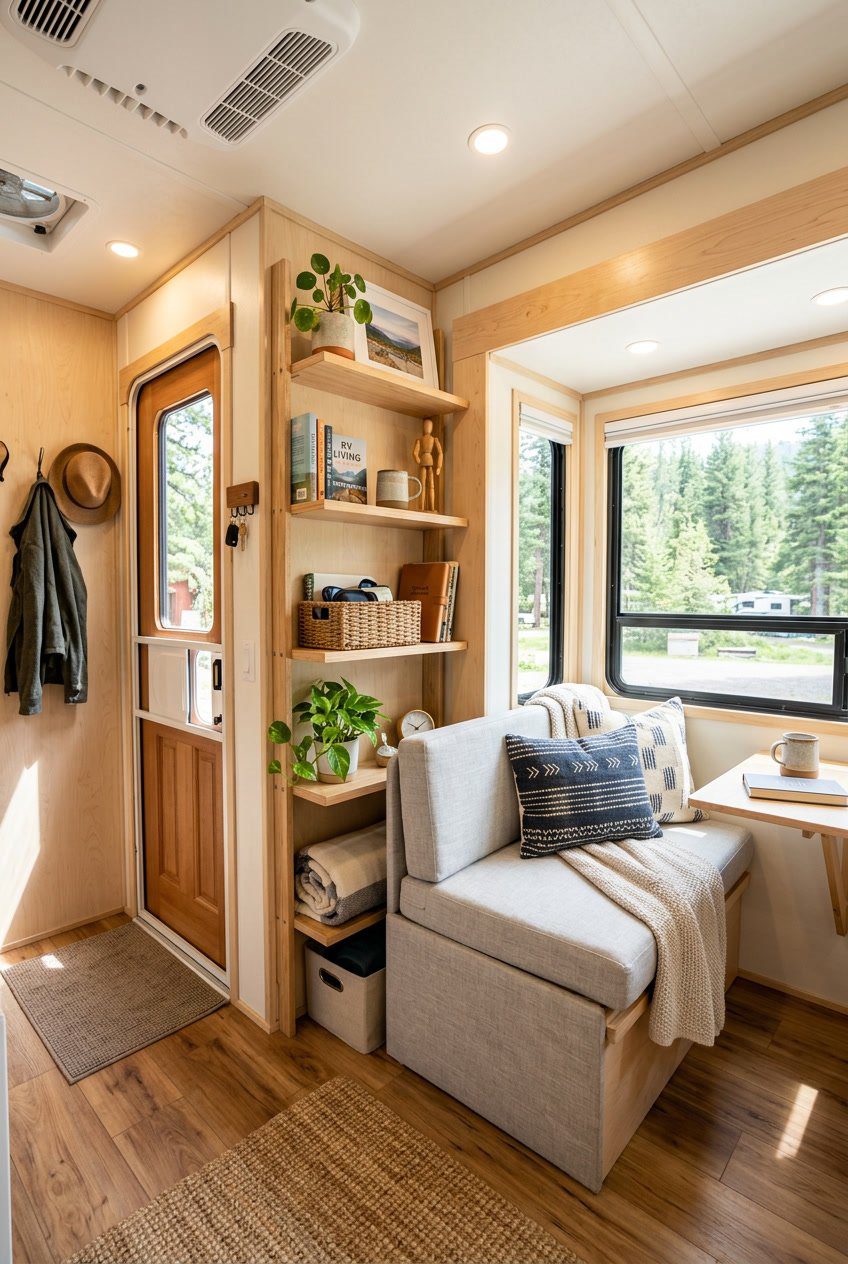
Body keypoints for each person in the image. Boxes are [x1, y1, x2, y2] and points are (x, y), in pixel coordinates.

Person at [412, 418, 443, 512]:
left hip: (430, 462)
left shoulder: (434, 439)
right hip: (423, 461)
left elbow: (440, 453)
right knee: (422, 485)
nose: (428, 427)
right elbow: (415, 452)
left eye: (429, 426)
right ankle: (422, 507)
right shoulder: (420, 439)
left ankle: (432, 507)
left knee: (431, 485)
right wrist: (417, 458)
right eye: (426, 425)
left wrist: (439, 467)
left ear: (432, 427)